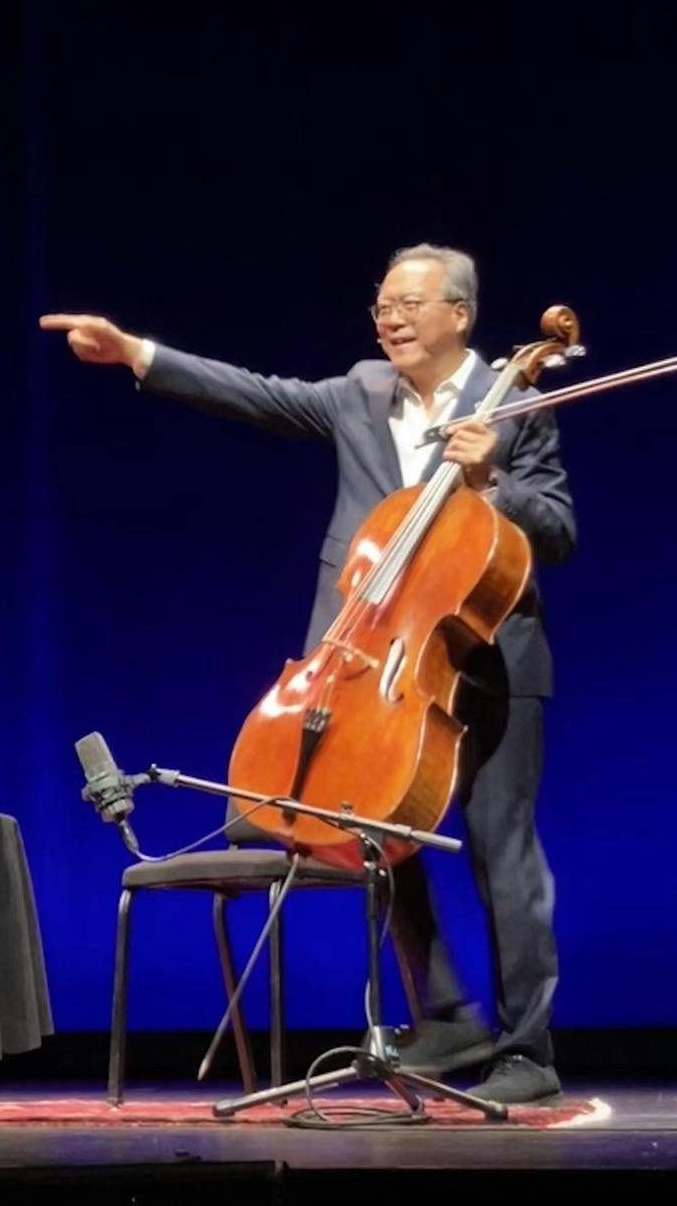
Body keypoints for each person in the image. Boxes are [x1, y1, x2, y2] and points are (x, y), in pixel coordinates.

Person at [41, 243, 575, 1103]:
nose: (389, 316)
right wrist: (136, 352)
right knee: (371, 824)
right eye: (382, 303)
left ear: (460, 315)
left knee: (501, 850)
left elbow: (555, 529)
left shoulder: (517, 401)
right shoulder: (360, 392)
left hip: (489, 657)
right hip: (377, 655)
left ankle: (528, 1050)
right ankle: (445, 1013)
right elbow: (254, 392)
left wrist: (491, 481)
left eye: (408, 303)